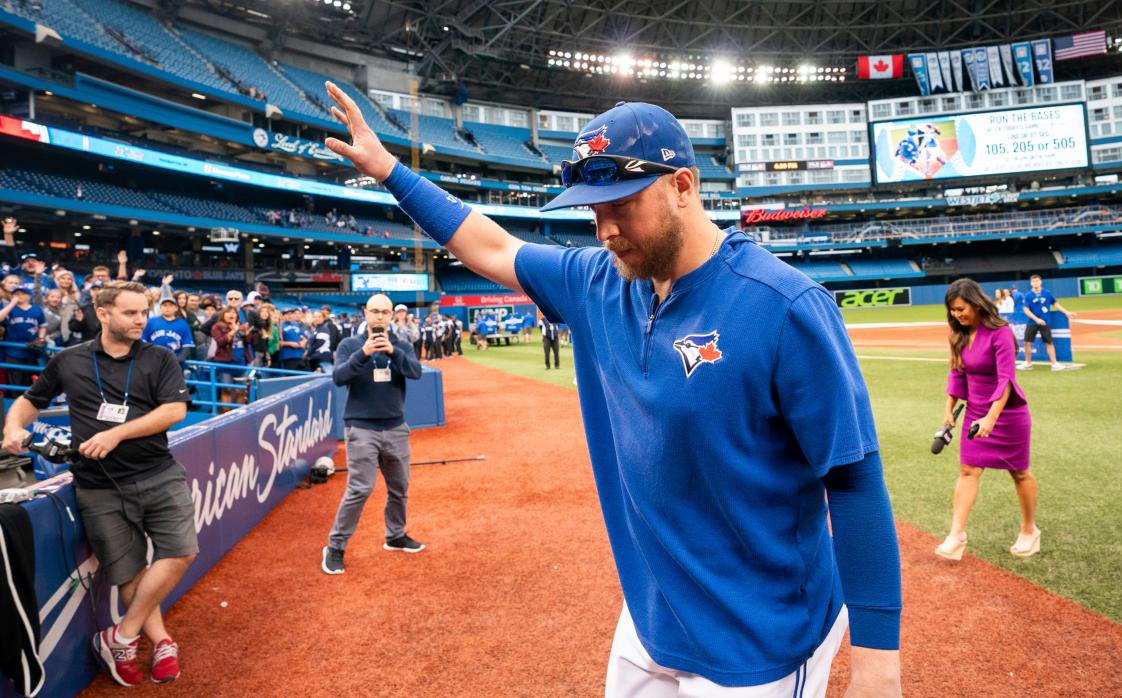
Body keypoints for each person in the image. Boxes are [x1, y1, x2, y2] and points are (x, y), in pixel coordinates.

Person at [324, 84, 901, 695]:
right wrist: (388, 170)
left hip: (759, 637)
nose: (605, 229)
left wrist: (876, 664)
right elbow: (491, 245)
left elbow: (854, 479)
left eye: (621, 205)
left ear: (682, 187)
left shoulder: (784, 306)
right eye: (593, 211)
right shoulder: (598, 282)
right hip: (652, 615)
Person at [2, 281, 196, 686]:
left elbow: (174, 410)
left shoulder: (159, 357)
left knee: (180, 553)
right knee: (129, 574)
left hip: (158, 474)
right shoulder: (69, 360)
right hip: (98, 487)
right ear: (102, 313)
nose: (141, 319)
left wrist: (117, 433)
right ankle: (159, 641)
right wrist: (12, 426)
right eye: (131, 313)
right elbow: (29, 400)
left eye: (144, 311)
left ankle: (120, 635)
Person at [936, 279, 1039, 561]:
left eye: (961, 309)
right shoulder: (957, 335)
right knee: (969, 470)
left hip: (1008, 414)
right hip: (975, 411)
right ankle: (956, 535)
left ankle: (1029, 530)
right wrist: (949, 409)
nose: (957, 315)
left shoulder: (1000, 332)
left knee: (1019, 473)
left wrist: (991, 417)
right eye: (952, 311)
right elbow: (956, 373)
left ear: (975, 302)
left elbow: (1006, 378)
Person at [322, 293, 424, 575]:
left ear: (392, 316)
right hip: (361, 427)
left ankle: (395, 535)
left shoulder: (401, 345)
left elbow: (415, 372)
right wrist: (364, 353)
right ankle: (336, 546)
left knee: (400, 487)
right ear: (365, 313)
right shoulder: (350, 344)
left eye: (385, 312)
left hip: (395, 426)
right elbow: (339, 377)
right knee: (360, 488)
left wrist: (392, 352)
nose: (379, 317)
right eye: (375, 311)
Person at [1018, 274, 1075, 371]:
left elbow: (1055, 303)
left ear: (1041, 282)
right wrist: (1037, 319)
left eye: (1037, 281)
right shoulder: (1028, 295)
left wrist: (1066, 312)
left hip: (1045, 322)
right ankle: (1028, 363)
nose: (1035, 283)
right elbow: (1026, 310)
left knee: (1049, 342)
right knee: (1027, 343)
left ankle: (1054, 364)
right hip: (1032, 322)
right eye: (1033, 281)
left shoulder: (1047, 293)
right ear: (1031, 283)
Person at [0, 287, 46, 394]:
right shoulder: (10, 308)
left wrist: (41, 338)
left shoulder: (36, 309)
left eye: (21, 294)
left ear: (29, 296)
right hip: (13, 351)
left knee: (29, 380)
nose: (18, 296)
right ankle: (14, 404)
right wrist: (12, 304)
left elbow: (43, 325)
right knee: (15, 381)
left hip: (31, 350)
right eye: (16, 294)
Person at [142, 297, 194, 364]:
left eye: (170, 305)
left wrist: (180, 359)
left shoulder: (183, 324)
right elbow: (143, 341)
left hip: (174, 360)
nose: (167, 308)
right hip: (153, 359)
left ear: (176, 308)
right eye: (165, 305)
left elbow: (187, 345)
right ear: (160, 307)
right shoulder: (151, 322)